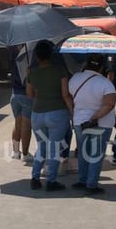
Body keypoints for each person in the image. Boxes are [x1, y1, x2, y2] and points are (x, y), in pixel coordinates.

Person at [27, 40, 73, 191]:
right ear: (52, 54)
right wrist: (72, 112)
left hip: (37, 114)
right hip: (57, 113)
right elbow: (65, 95)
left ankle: (35, 177)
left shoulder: (31, 71)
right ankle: (51, 181)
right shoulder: (60, 70)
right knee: (54, 149)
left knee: (42, 147)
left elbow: (30, 94)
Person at [68, 54, 116, 194]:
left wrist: (75, 113)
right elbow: (110, 104)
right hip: (101, 124)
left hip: (79, 122)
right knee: (96, 154)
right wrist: (94, 118)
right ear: (102, 67)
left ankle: (82, 180)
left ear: (86, 64)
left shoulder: (75, 78)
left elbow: (68, 96)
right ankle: (91, 184)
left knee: (83, 153)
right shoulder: (106, 83)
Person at [9, 44, 33, 162]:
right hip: (26, 94)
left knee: (17, 123)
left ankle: (15, 151)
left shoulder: (13, 52)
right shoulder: (29, 53)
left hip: (14, 94)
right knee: (26, 125)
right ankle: (25, 153)